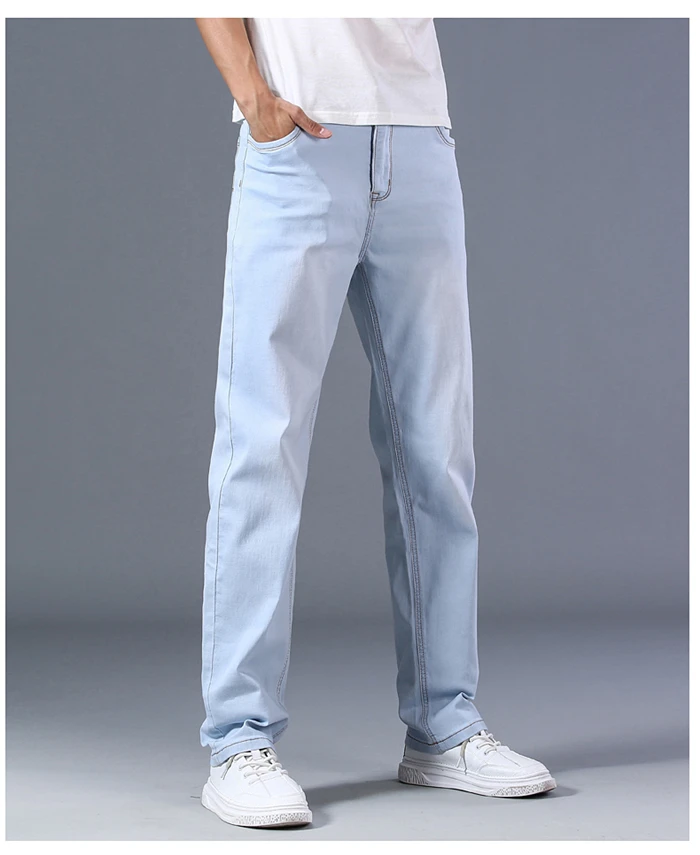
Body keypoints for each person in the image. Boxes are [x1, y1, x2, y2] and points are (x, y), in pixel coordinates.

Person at [194, 17, 556, 829]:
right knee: (262, 445)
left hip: (419, 133)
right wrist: (253, 98)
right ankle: (239, 737)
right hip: (297, 136)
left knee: (437, 449)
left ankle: (444, 722)